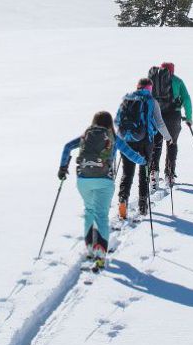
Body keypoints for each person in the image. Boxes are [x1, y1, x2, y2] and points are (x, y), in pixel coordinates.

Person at [59, 111, 147, 270]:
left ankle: (91, 248)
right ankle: (100, 254)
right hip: (104, 181)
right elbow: (130, 154)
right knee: (101, 215)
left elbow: (67, 147)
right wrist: (143, 160)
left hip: (83, 180)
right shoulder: (113, 138)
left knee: (89, 211)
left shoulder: (86, 137)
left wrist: (62, 168)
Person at [114, 78, 172, 219]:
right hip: (145, 142)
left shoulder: (126, 99)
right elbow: (160, 123)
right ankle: (142, 205)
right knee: (143, 173)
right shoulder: (152, 101)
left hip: (126, 141)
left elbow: (116, 121)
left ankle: (122, 202)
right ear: (149, 89)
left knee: (127, 173)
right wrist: (168, 138)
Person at [147, 62, 193, 188]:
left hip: (155, 116)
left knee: (156, 144)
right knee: (172, 143)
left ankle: (153, 173)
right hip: (173, 116)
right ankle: (170, 174)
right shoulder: (177, 81)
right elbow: (187, 100)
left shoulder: (153, 81)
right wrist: (188, 117)